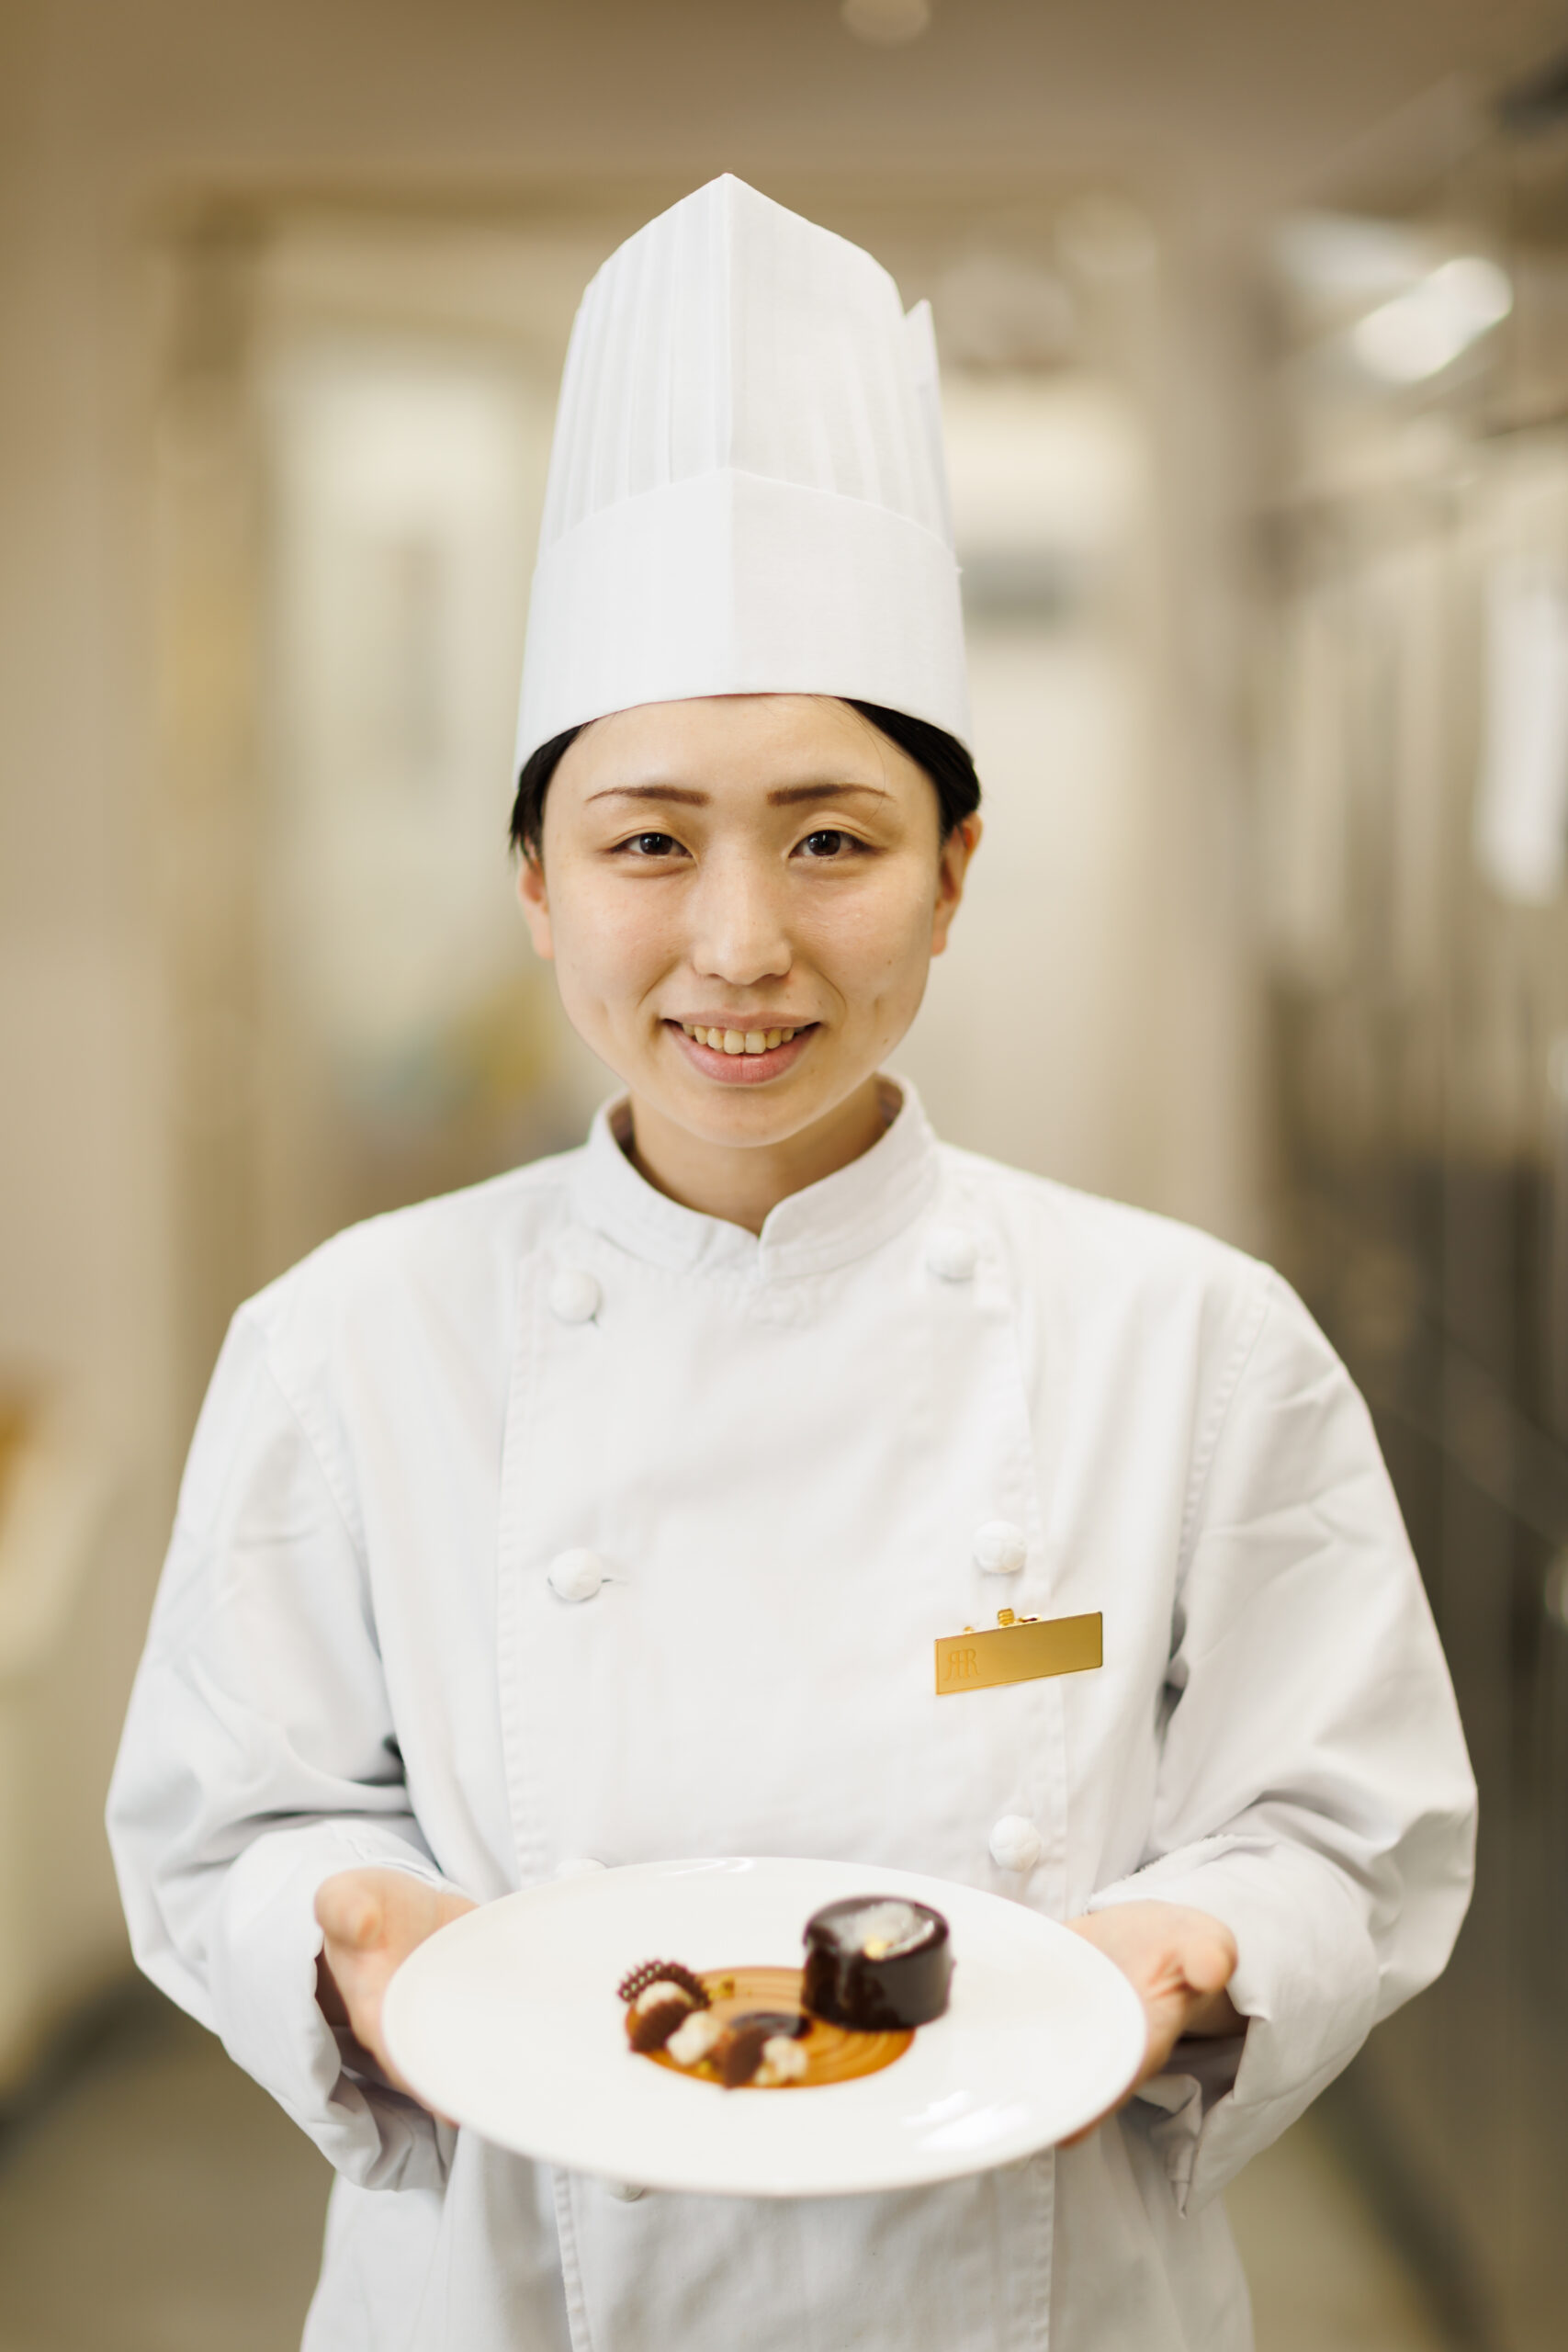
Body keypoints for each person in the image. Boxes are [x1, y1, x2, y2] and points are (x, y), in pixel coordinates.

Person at [107, 177, 1475, 2352]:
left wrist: (1202, 1946)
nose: (738, 942)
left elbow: (1340, 1824)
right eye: (646, 839)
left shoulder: (1190, 1338)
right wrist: (339, 1917)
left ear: (952, 871)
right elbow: (227, 1820)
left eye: (830, 837)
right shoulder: (348, 1339)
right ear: (535, 882)